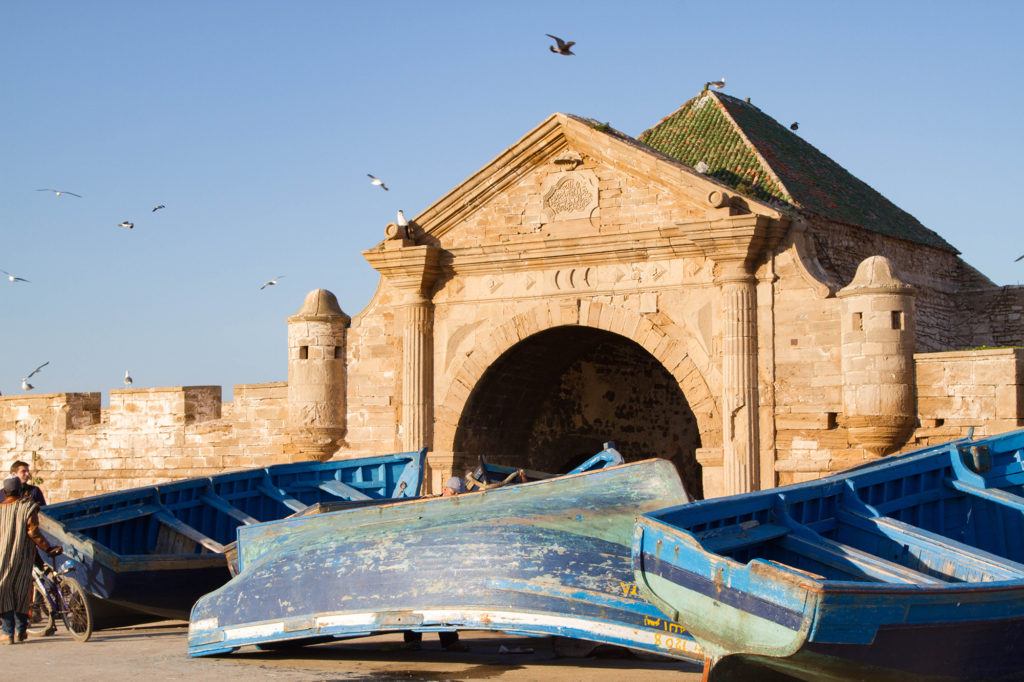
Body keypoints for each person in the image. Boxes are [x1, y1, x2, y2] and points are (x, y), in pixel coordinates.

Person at [403, 476, 469, 652]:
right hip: (420, 561)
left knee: (443, 602)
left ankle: (449, 641)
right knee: (416, 600)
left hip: (443, 563)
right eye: (452, 492)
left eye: (457, 495)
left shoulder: (457, 511)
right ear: (446, 489)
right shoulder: (428, 503)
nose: (454, 497)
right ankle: (413, 640)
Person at [1, 477, 62, 645]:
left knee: (4, 593)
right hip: (23, 557)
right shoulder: (28, 507)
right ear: (20, 491)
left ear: (5, 492)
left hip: (2, 558)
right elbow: (33, 533)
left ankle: (8, 633)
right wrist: (48, 548)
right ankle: (21, 632)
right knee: (21, 593)